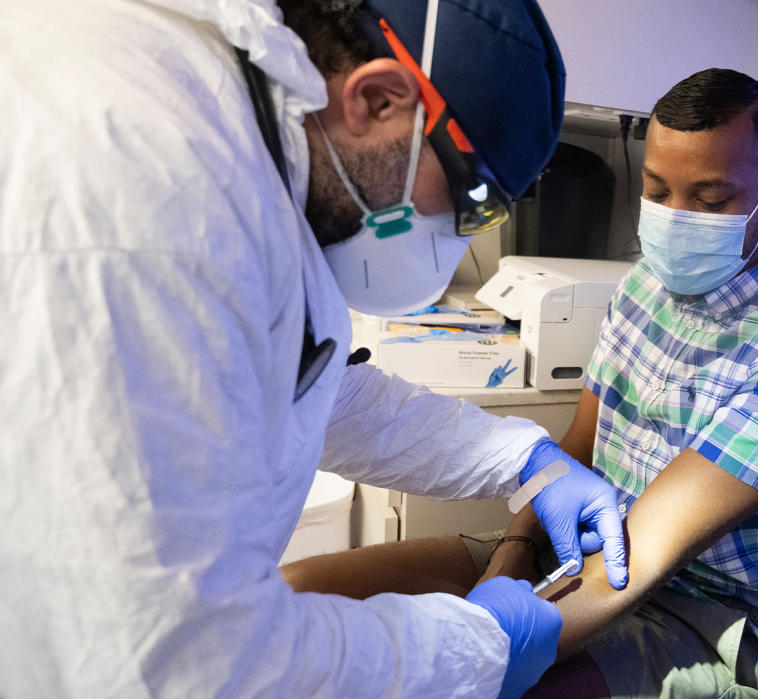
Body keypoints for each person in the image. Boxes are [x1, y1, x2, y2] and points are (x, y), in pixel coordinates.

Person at [0, 0, 627, 697]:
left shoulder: (253, 144)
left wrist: (525, 460)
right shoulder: (146, 190)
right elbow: (184, 660)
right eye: (470, 197)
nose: (456, 235)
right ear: (376, 98)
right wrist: (474, 648)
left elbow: (309, 383)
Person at [285, 67, 758, 697]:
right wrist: (512, 550)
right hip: (571, 555)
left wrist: (480, 642)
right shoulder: (643, 288)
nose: (676, 220)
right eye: (657, 191)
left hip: (705, 616)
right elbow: (575, 453)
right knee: (294, 596)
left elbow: (648, 554)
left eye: (708, 201)